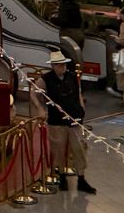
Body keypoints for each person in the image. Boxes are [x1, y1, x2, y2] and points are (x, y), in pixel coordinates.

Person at [37, 51, 96, 193]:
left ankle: (81, 178)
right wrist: (41, 108)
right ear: (53, 66)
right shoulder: (46, 79)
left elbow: (78, 93)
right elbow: (34, 92)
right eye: (58, 65)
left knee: (79, 148)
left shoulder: (71, 77)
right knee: (58, 148)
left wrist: (81, 108)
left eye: (63, 64)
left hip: (74, 117)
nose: (61, 67)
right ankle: (62, 176)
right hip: (56, 119)